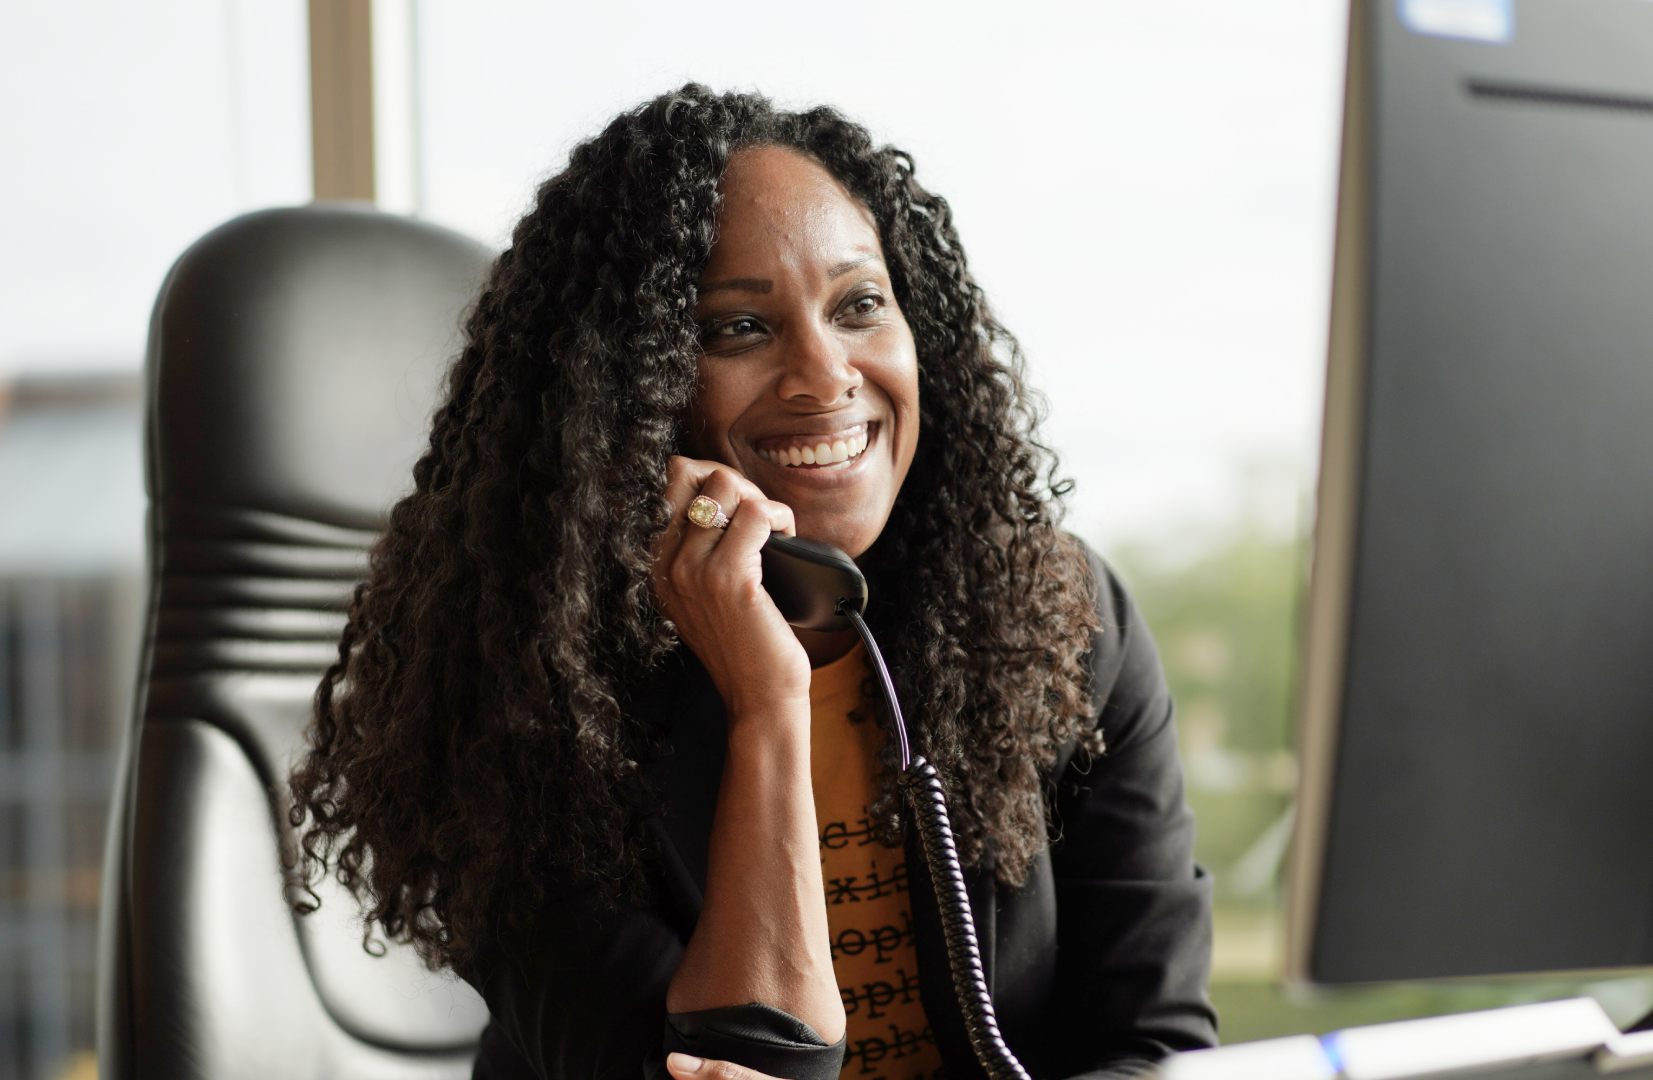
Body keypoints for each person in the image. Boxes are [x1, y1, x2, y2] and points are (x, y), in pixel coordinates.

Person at [286, 85, 1216, 1080]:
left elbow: (1154, 1043)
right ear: (625, 390)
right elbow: (725, 1061)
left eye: (860, 305)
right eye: (738, 328)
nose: (824, 376)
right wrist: (771, 703)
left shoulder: (1052, 616)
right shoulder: (511, 680)